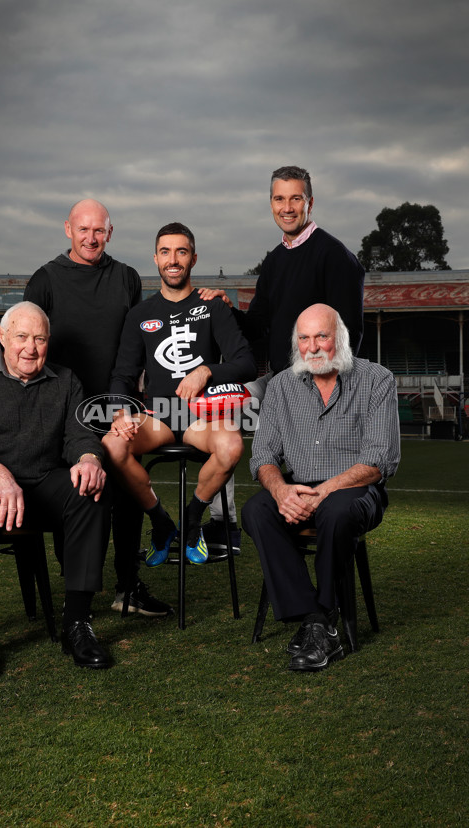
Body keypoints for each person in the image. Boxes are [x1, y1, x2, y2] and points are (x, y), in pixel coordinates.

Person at [0, 199, 171, 618]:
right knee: (78, 490)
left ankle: (127, 585)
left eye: (99, 230)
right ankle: (75, 586)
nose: (91, 237)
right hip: (63, 409)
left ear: (110, 232)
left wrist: (134, 401)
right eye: (83, 229)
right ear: (68, 229)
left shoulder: (126, 278)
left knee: (126, 491)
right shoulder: (45, 280)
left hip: (116, 405)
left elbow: (134, 345)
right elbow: (24, 333)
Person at [0, 302, 112, 679]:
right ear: (1, 337)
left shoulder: (65, 380)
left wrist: (88, 459)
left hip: (38, 481)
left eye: (39, 338)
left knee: (91, 489)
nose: (30, 347)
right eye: (21, 337)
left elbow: (80, 435)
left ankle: (77, 623)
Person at [198, 165, 365, 552]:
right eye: (279, 198)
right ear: (270, 203)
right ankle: (224, 524)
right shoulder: (275, 260)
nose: (287, 207)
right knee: (217, 410)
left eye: (295, 198)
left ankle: (311, 507)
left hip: (318, 387)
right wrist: (229, 309)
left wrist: (322, 388)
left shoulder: (335, 256)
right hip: (277, 382)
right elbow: (258, 326)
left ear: (310, 202)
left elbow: (350, 336)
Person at [241, 303, 400, 672]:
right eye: (304, 338)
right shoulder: (281, 386)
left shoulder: (377, 379)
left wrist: (324, 490)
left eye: (322, 337)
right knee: (256, 511)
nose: (312, 347)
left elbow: (379, 461)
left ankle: (320, 616)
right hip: (297, 489)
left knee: (336, 510)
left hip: (356, 489)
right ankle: (318, 618)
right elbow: (262, 454)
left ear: (339, 339)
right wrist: (281, 491)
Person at [102, 222, 257, 566]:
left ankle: (191, 521)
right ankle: (161, 522)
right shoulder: (140, 315)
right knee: (113, 445)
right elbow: (123, 374)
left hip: (199, 417)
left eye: (181, 252)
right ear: (155, 259)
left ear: (193, 258)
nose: (173, 259)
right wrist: (118, 414)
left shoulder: (212, 307)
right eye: (166, 252)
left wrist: (206, 371)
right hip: (156, 416)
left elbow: (246, 363)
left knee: (232, 446)